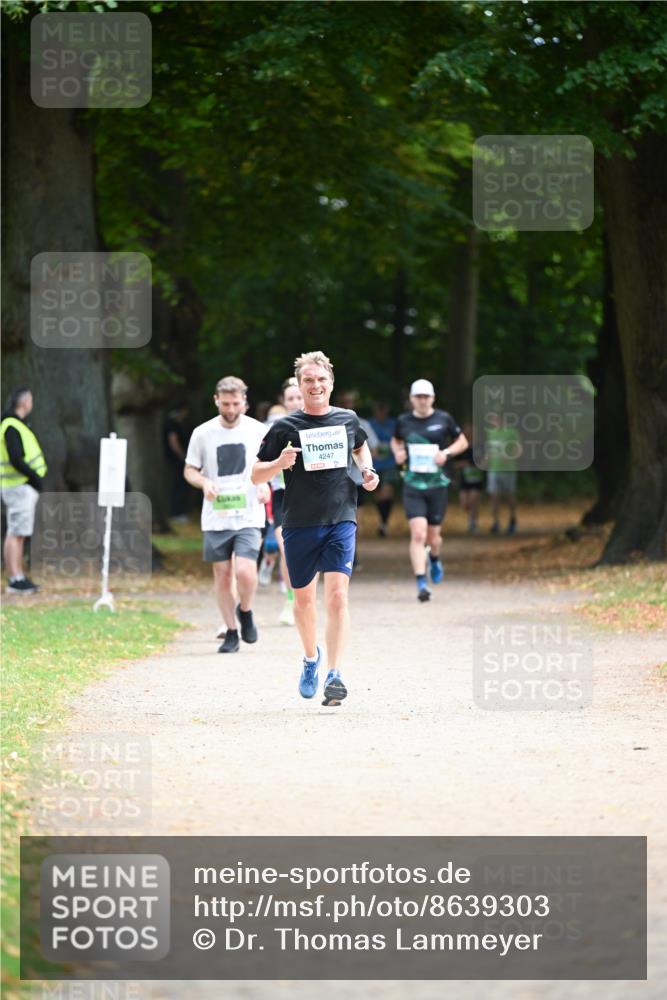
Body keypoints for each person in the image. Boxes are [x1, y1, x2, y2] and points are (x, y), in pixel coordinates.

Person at [252, 350, 379, 706]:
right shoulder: (284, 427)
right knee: (304, 601)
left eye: (321, 379)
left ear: (331, 383)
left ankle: (335, 674)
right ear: (299, 385)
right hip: (300, 522)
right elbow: (255, 474)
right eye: (308, 380)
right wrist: (279, 462)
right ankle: (311, 659)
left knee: (338, 596)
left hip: (341, 517)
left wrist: (367, 472)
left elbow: (361, 449)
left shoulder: (347, 419)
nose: (315, 385)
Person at [184, 376, 269, 653]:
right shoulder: (202, 433)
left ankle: (246, 610)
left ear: (245, 402)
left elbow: (271, 464)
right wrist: (204, 482)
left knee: (245, 571)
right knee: (222, 574)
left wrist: (265, 484)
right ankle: (231, 630)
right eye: (225, 404)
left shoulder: (257, 430)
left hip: (248, 512)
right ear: (216, 401)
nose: (231, 409)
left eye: (236, 403)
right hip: (216, 514)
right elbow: (190, 469)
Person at [391, 379, 467, 602]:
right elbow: (396, 441)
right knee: (418, 534)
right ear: (412, 399)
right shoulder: (404, 420)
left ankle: (434, 558)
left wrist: (447, 453)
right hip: (413, 484)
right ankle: (421, 582)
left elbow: (462, 441)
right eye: (418, 396)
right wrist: (398, 453)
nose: (423, 400)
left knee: (433, 538)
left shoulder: (443, 419)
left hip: (437, 485)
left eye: (426, 396)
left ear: (433, 398)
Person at [1, 387, 47, 594]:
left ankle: (18, 576)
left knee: (18, 533)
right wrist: (34, 478)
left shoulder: (14, 425)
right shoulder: (11, 426)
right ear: (25, 402)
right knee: (15, 533)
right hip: (18, 487)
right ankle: (15, 578)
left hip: (19, 486)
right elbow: (16, 458)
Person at [268, 379, 303, 625]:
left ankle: (305, 597)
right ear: (284, 401)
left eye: (299, 397)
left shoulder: (320, 425)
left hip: (311, 496)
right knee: (286, 549)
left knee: (310, 551)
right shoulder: (275, 428)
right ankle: (291, 600)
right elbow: (259, 462)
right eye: (290, 398)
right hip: (282, 495)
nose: (295, 402)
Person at [485, 410, 521, 535]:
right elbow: (490, 450)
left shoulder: (511, 432)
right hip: (493, 470)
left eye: (497, 419)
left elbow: (518, 449)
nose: (495, 422)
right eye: (493, 419)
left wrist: (510, 457)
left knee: (509, 497)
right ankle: (495, 522)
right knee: (494, 497)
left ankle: (512, 519)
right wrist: (486, 461)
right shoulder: (491, 433)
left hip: (508, 469)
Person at [369, 401, 398, 537]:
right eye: (378, 410)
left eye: (383, 409)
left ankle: (384, 523)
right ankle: (382, 521)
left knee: (387, 491)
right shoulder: (370, 424)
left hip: (390, 464)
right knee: (379, 496)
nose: (381, 413)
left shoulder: (393, 424)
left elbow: (400, 440)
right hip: (374, 465)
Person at [163, 403, 190, 522]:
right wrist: (182, 456)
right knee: (179, 486)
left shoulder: (173, 423)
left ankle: (178, 512)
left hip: (176, 459)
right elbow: (173, 441)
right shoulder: (172, 424)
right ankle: (176, 513)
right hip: (177, 460)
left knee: (179, 486)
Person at [456, 423, 485, 534]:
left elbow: (485, 461)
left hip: (476, 479)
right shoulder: (461, 447)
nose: (470, 433)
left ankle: (473, 523)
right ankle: (472, 518)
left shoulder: (480, 446)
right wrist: (463, 464)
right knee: (465, 504)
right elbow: (454, 462)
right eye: (468, 431)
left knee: (473, 501)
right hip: (464, 479)